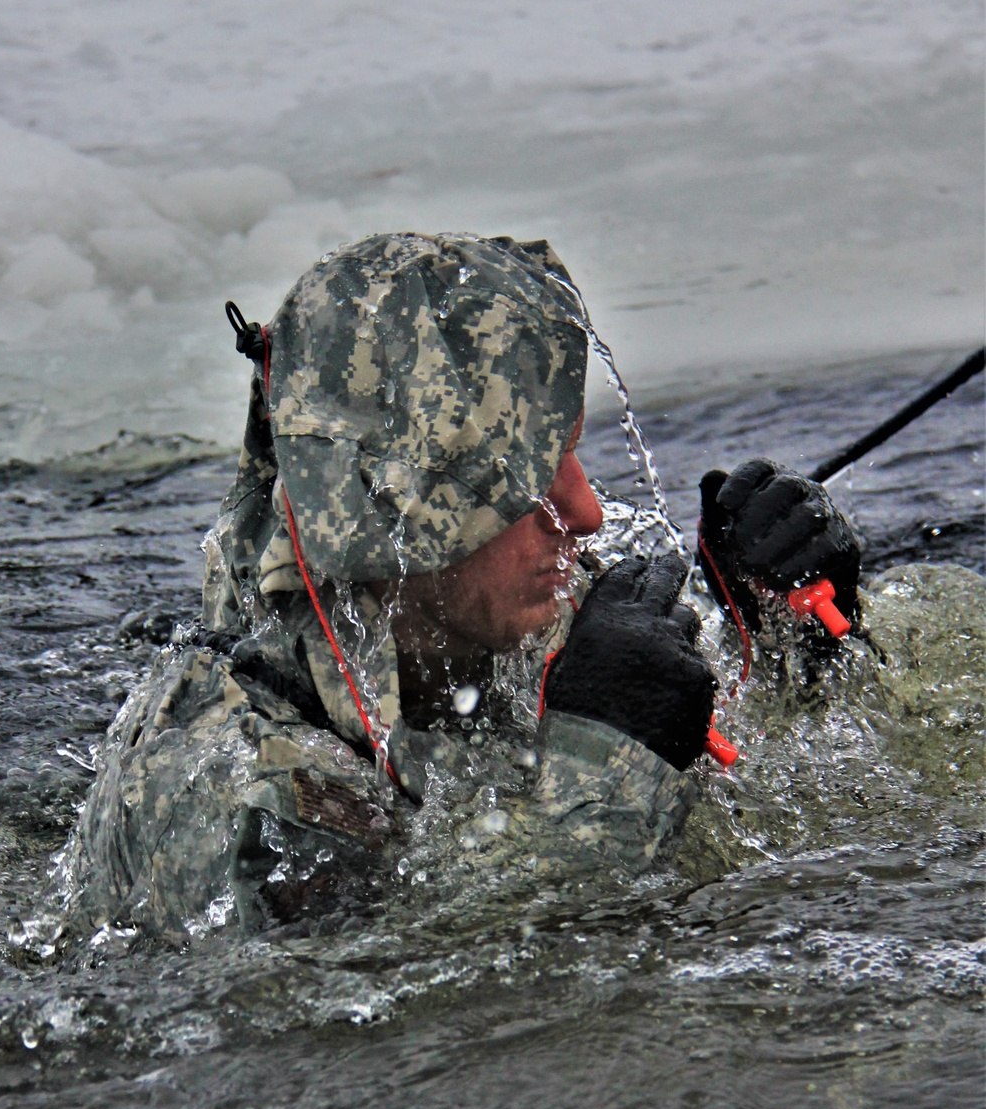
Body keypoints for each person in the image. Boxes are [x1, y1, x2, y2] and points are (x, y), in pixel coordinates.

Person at [55, 233, 860, 950]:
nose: (582, 511)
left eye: (571, 453)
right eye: (524, 478)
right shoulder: (231, 791)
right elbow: (439, 1014)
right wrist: (604, 765)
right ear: (398, 505)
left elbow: (790, 798)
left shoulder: (490, 611)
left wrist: (791, 640)